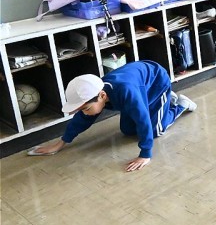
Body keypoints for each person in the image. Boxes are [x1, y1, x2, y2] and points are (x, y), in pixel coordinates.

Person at [28, 60, 197, 171]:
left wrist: (145, 154)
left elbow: (143, 119)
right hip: (139, 85)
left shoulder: (126, 92)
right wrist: (60, 144)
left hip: (156, 82)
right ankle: (164, 103)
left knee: (155, 130)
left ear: (102, 96)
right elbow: (81, 120)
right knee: (127, 130)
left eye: (86, 108)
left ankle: (179, 105)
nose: (85, 113)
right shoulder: (95, 95)